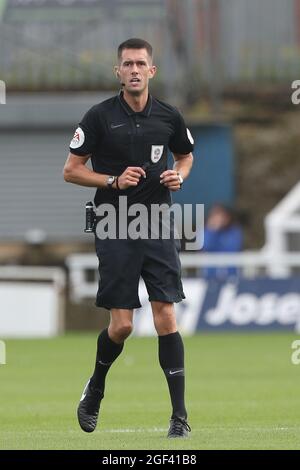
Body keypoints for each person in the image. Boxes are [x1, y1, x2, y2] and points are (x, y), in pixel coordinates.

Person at [63, 38, 194, 438]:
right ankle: (96, 388)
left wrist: (179, 176)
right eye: (127, 64)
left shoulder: (169, 116)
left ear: (151, 71)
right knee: (121, 326)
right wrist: (112, 181)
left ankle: (179, 418)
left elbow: (185, 156)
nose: (134, 69)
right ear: (117, 72)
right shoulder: (99, 117)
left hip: (156, 222)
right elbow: (71, 170)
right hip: (115, 224)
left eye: (140, 63)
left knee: (166, 316)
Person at [202, 204, 243, 279]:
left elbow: (233, 249)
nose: (219, 219)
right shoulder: (206, 232)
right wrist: (213, 231)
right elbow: (206, 246)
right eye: (215, 217)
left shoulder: (234, 231)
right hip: (210, 277)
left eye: (221, 216)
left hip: (231, 276)